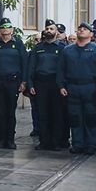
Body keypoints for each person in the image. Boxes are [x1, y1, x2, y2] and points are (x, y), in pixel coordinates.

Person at [58, 22, 96, 155]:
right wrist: (61, 86)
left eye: (85, 29)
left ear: (91, 34)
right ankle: (77, 143)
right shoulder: (68, 50)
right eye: (79, 29)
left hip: (91, 87)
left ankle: (91, 144)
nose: (81, 30)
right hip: (73, 87)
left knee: (90, 116)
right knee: (75, 117)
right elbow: (61, 70)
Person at [0, 18, 27, 149]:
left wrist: (24, 82)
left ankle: (10, 139)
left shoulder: (18, 44)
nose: (5, 29)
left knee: (10, 112)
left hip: (13, 82)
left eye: (8, 27)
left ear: (12, 30)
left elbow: (24, 63)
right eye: (3, 27)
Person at [27, 20, 65, 151]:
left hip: (55, 83)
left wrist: (62, 85)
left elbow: (64, 68)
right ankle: (44, 141)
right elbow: (31, 67)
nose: (49, 31)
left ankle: (56, 142)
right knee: (42, 113)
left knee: (56, 113)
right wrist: (30, 84)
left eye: (51, 29)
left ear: (56, 32)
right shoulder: (38, 48)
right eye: (47, 29)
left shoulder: (62, 48)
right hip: (40, 83)